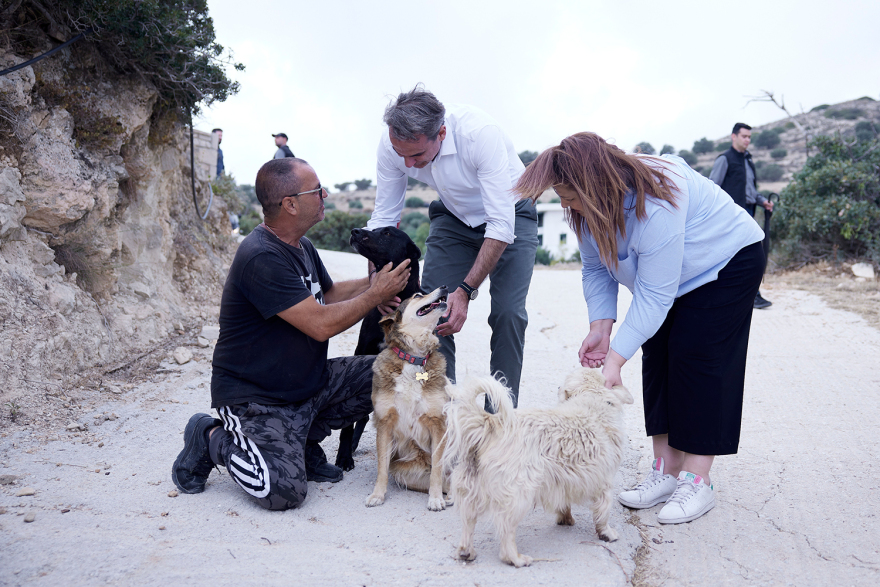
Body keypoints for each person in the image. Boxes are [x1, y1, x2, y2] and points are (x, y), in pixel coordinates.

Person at [515, 133, 765, 525]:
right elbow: (596, 267)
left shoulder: (660, 197)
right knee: (658, 355)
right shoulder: (584, 208)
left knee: (699, 356)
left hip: (726, 262)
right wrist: (602, 326)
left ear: (592, 184)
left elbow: (654, 295)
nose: (564, 204)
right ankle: (665, 472)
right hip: (675, 276)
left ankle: (698, 479)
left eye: (569, 195)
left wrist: (614, 360)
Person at [171, 157, 411, 510]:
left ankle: (300, 441)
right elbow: (320, 324)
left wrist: (374, 283)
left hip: (307, 387)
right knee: (282, 492)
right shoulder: (261, 256)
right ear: (290, 204)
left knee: (399, 373)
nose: (326, 194)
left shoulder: (302, 247)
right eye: (317, 190)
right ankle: (210, 438)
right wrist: (374, 296)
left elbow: (326, 296)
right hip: (258, 400)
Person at [369, 85, 538, 406]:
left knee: (508, 314)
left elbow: (501, 226)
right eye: (400, 153)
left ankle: (497, 416)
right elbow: (384, 217)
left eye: (416, 155)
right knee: (430, 313)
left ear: (442, 133)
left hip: (511, 213)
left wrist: (465, 290)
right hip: (453, 215)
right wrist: (378, 283)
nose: (407, 163)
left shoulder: (479, 135)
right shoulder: (394, 146)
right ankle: (442, 407)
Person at [709, 123, 775, 309]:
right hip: (730, 218)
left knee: (749, 254)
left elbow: (751, 191)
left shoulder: (748, 160)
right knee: (740, 256)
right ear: (734, 136)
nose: (747, 140)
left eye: (749, 137)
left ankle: (751, 295)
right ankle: (750, 296)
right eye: (744, 136)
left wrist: (763, 202)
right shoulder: (724, 159)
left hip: (748, 214)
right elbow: (713, 188)